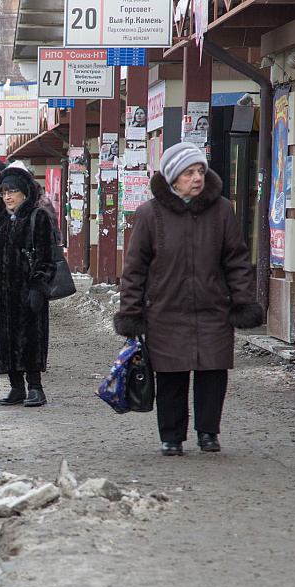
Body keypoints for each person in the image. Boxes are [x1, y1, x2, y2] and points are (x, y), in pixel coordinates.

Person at [113, 142, 263, 456]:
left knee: (212, 372)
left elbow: (236, 259)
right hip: (165, 310)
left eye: (199, 171)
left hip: (213, 308)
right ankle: (171, 436)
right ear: (172, 178)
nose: (197, 178)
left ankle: (208, 433)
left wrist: (242, 301)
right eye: (188, 173)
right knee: (171, 375)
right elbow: (134, 269)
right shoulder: (148, 214)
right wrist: (131, 312)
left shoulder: (222, 210)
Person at [0, 166, 56, 408]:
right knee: (5, 340)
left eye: (12, 192)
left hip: (27, 295)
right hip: (1, 295)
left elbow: (47, 257)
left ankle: (36, 388)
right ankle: (16, 387)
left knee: (29, 339)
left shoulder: (37, 217)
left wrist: (38, 288)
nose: (7, 197)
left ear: (24, 193)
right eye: (3, 193)